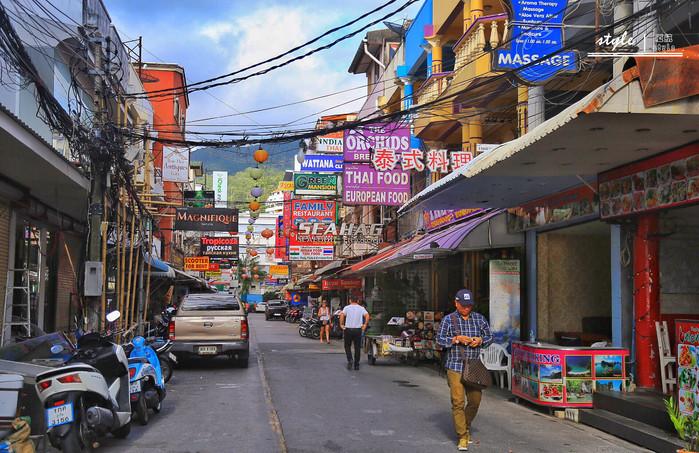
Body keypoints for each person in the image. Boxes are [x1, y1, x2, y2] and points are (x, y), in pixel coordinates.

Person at [436, 289, 493, 451]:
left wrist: (480, 340)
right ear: (456, 303)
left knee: (475, 401)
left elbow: (490, 337)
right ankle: (462, 435)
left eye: (469, 305)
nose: (466, 308)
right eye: (463, 305)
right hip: (454, 366)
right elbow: (439, 340)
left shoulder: (479, 319)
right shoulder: (449, 320)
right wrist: (455, 339)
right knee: (458, 401)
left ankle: (465, 425)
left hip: (474, 366)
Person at [340, 297, 370, 370]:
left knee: (347, 346)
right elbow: (367, 316)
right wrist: (365, 324)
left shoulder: (346, 308)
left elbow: (342, 315)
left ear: (350, 300)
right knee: (357, 347)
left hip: (348, 329)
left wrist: (341, 324)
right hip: (358, 330)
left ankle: (350, 359)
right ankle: (356, 364)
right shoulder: (361, 308)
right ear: (358, 301)